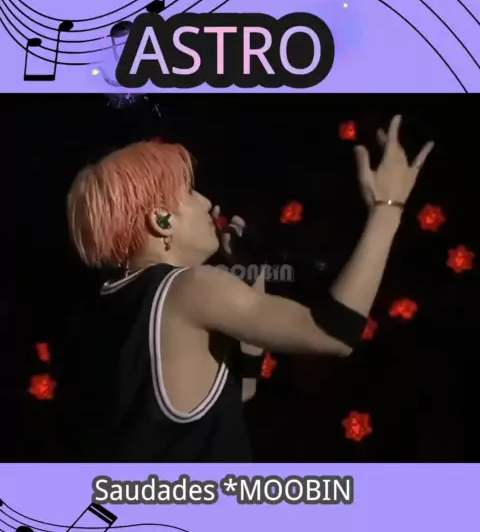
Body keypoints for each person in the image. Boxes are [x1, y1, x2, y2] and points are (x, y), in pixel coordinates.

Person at [65, 115, 433, 461]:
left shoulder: (106, 304)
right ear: (162, 220)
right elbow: (334, 332)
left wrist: (244, 278)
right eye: (190, 193)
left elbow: (237, 392)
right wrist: (388, 207)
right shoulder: (191, 287)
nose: (208, 202)